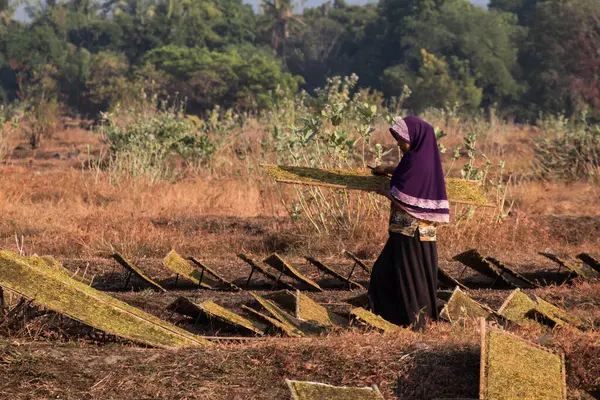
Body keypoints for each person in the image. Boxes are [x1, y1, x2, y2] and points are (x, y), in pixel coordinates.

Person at [369, 116, 449, 331]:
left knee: (406, 275)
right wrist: (387, 169)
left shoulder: (416, 161)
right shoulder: (420, 158)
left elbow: (406, 198)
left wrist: (386, 193)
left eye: (402, 139)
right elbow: (407, 175)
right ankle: (404, 319)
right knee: (402, 273)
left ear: (414, 137)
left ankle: (415, 321)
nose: (399, 144)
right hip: (410, 231)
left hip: (410, 231)